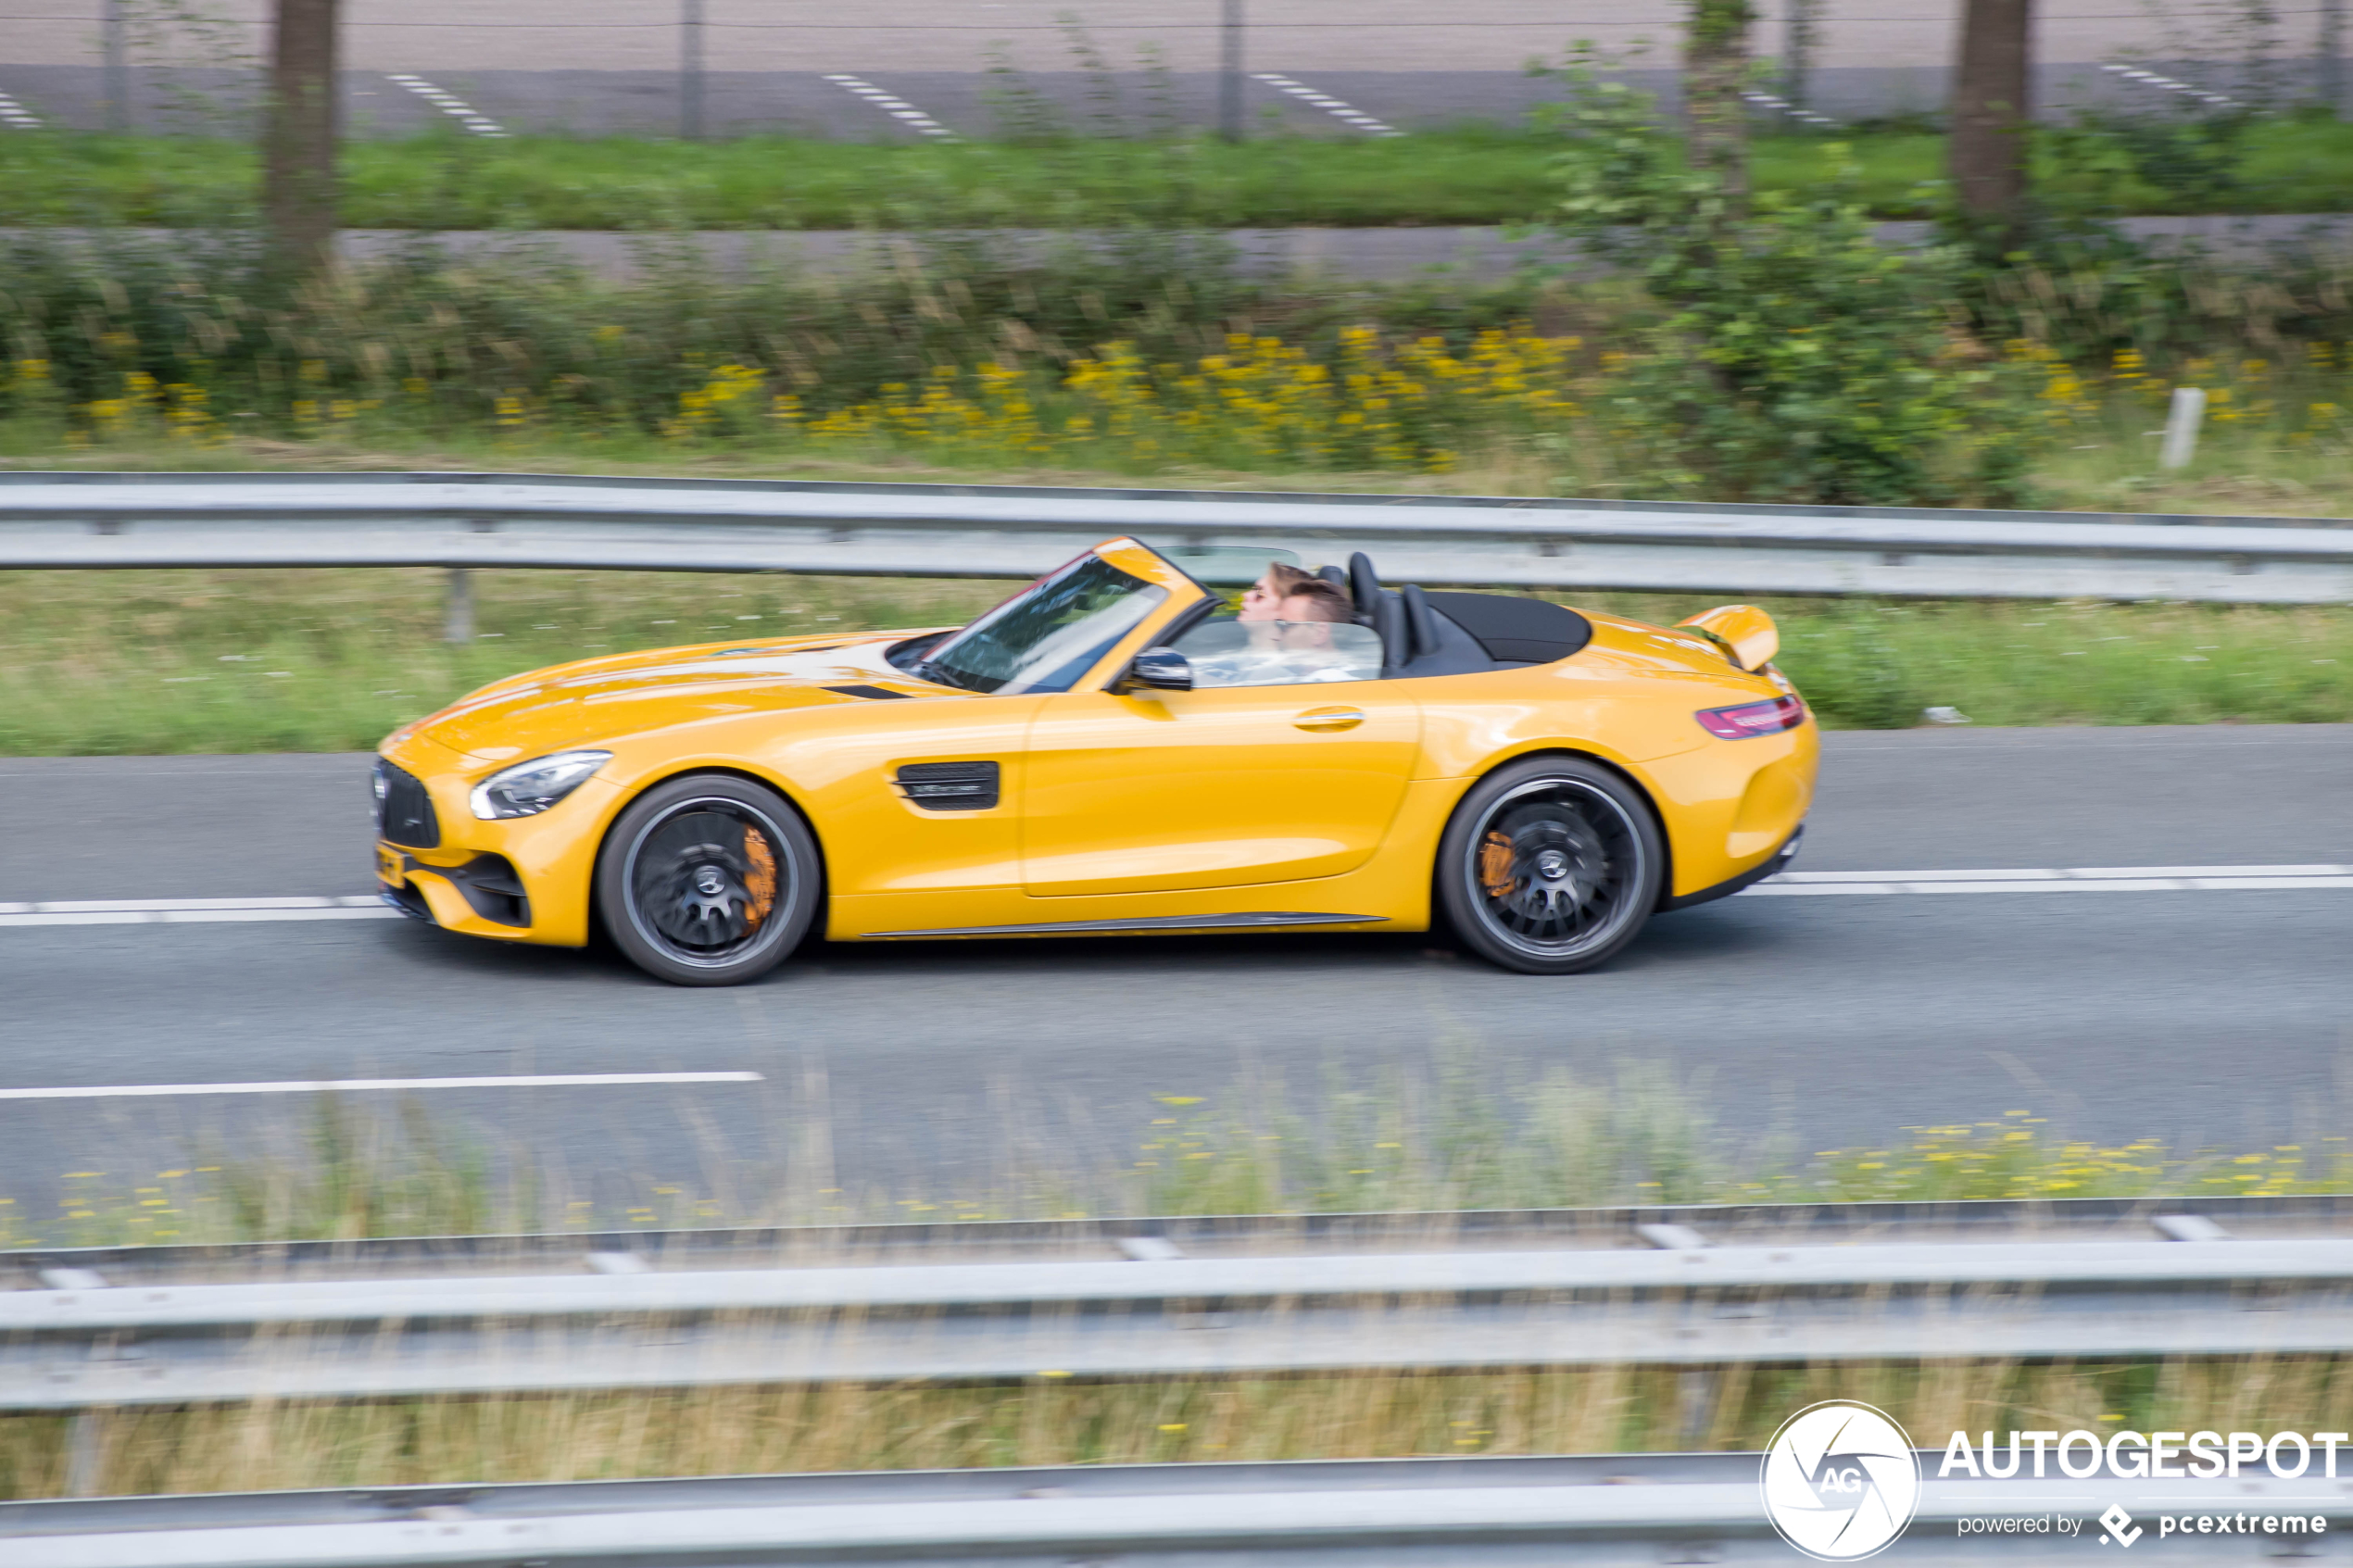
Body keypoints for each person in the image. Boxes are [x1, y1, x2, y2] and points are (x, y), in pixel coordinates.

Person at [1183, 573, 1378, 687]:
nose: (1275, 635)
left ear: (1319, 633)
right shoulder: (1297, 675)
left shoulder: (1330, 686)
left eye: (1283, 625)